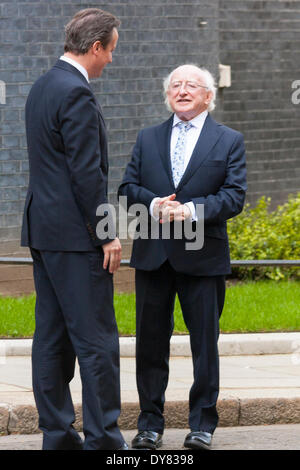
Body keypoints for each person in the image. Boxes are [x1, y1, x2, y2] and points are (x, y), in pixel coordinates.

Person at [118, 64, 247, 450]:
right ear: (167, 95)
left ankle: (202, 425)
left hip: (203, 258)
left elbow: (234, 196)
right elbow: (127, 187)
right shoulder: (148, 137)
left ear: (209, 95)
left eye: (192, 85)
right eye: (176, 85)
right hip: (153, 256)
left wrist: (190, 211)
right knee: (150, 346)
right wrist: (155, 203)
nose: (183, 90)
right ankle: (149, 426)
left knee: (204, 345)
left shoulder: (228, 140)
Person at [21, 8, 128, 450]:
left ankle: (57, 437)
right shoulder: (77, 93)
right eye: (111, 51)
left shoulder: (43, 85)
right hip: (77, 236)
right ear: (96, 46)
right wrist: (106, 231)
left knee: (51, 336)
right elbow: (87, 174)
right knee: (98, 340)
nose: (111, 61)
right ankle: (103, 441)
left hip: (44, 232)